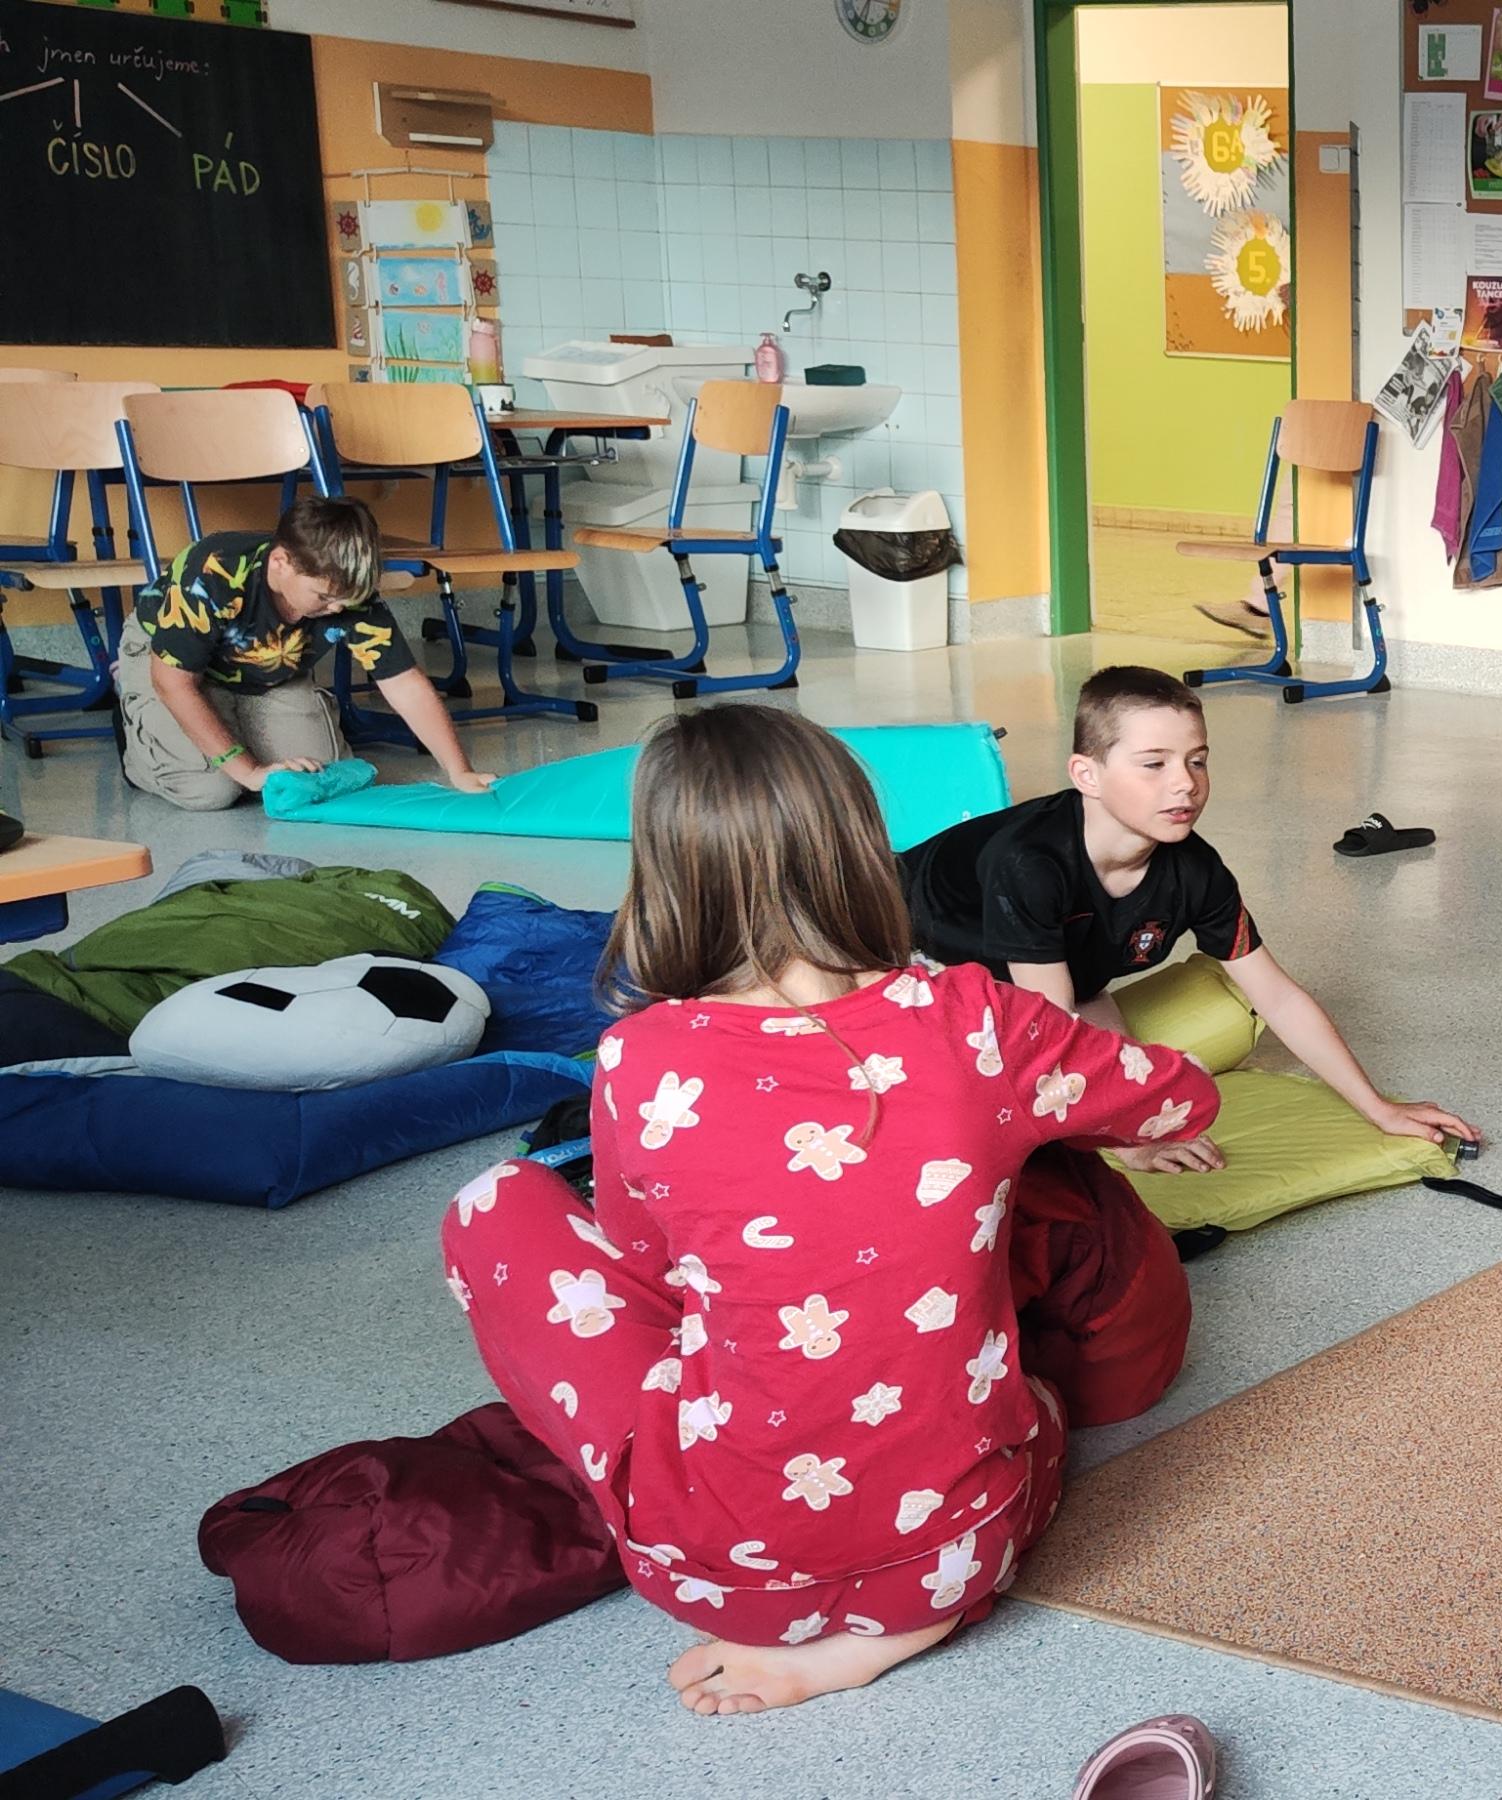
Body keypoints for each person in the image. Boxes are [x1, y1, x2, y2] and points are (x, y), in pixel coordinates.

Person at [442, 703, 1221, 1715]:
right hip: (962, 1549)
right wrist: (1023, 1117)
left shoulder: (638, 1056)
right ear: (858, 847)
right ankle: (901, 1623)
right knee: (1030, 1382)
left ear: (669, 871)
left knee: (494, 1204)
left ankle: (805, 1561)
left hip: (708, 1569)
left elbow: (645, 1260)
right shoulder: (974, 1021)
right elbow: (1181, 1100)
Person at [899, 667, 1475, 1171]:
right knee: (973, 1101)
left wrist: (1379, 1108)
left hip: (1046, 968)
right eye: (1154, 764)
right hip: (899, 937)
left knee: (1118, 1067)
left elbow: (1278, 998)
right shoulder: (1030, 863)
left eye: (1196, 761)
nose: (1185, 783)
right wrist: (1129, 1142)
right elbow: (1049, 1029)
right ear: (1087, 775)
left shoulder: (1197, 872)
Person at [118, 495, 495, 813]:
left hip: (267, 672)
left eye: (348, 600)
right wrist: (249, 771)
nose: (338, 609)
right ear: (280, 563)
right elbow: (175, 684)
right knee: (212, 791)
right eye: (325, 597)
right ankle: (139, 747)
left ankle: (233, 720)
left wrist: (459, 771)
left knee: (318, 777)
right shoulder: (212, 574)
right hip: (177, 670)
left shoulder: (345, 591)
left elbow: (404, 683)